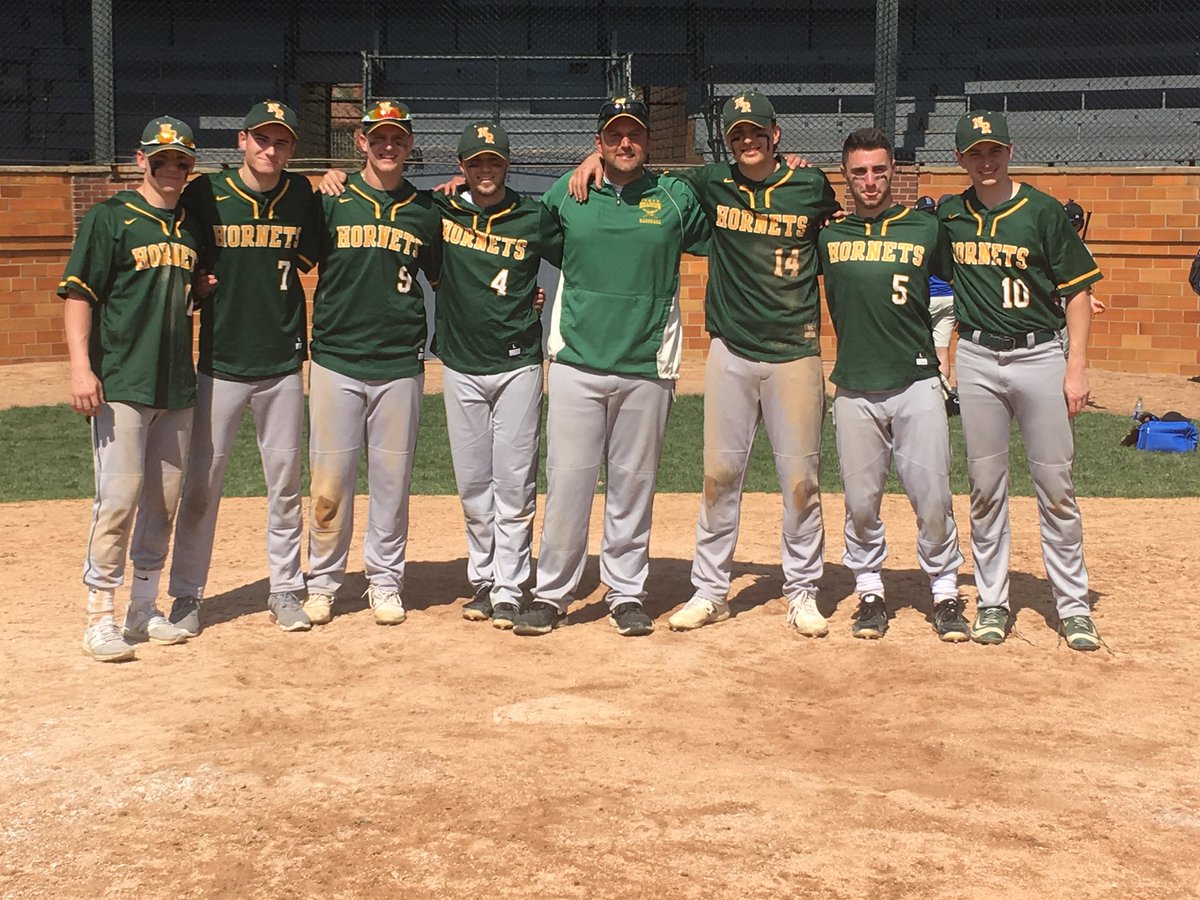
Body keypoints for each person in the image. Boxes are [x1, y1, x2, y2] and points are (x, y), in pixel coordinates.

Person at [571, 91, 839, 635]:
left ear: (776, 136)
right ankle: (711, 588)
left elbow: (838, 228)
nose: (747, 142)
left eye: (756, 133)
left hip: (795, 351)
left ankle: (803, 589)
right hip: (731, 351)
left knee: (801, 481)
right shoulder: (711, 181)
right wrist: (593, 158)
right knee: (719, 476)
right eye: (738, 133)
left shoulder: (809, 186)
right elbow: (642, 168)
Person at [511, 96, 707, 637]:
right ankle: (551, 593)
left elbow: (722, 215)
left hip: (648, 362)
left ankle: (625, 592)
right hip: (577, 358)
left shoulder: (673, 196)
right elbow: (525, 225)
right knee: (569, 483)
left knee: (632, 487)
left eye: (635, 135)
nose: (626, 144)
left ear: (648, 142)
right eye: (614, 135)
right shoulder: (571, 192)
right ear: (598, 142)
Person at [941, 110, 1103, 651]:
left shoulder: (1042, 211)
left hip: (1040, 358)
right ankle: (991, 601)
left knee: (1055, 486)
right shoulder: (951, 215)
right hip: (980, 357)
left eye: (994, 151)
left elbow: (1077, 289)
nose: (985, 162)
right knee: (986, 488)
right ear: (961, 160)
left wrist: (1075, 366)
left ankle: (1073, 606)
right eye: (974, 154)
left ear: (1009, 152)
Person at [166, 101, 318, 635]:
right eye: (261, 139)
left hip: (281, 362)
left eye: (281, 142)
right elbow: (177, 259)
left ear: (292, 149)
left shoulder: (301, 195)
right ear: (242, 140)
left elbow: (318, 253)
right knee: (202, 486)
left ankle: (285, 587)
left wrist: (333, 180)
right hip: (220, 362)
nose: (269, 150)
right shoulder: (205, 194)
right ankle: (186, 594)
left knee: (285, 486)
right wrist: (197, 283)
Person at [59, 116, 204, 661]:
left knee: (163, 502)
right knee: (117, 501)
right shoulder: (111, 218)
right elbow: (79, 295)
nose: (171, 168)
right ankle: (100, 616)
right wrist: (81, 367)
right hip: (121, 379)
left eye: (181, 161)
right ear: (141, 160)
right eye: (161, 158)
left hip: (175, 385)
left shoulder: (189, 226)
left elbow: (192, 289)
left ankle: (144, 608)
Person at [819, 129, 967, 641]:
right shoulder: (828, 235)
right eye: (859, 171)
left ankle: (946, 592)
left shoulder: (925, 229)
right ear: (845, 175)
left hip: (916, 379)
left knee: (932, 497)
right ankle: (869, 591)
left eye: (879, 170)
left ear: (893, 173)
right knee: (861, 501)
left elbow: (972, 279)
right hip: (855, 385)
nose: (869, 180)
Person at [305, 100, 442, 626]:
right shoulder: (332, 201)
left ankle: (384, 580)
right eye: (378, 137)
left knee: (391, 479)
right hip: (337, 359)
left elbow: (447, 276)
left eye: (398, 138)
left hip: (400, 363)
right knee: (329, 481)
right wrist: (319, 179)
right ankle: (322, 580)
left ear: (409, 145)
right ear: (360, 141)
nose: (388, 146)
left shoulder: (426, 210)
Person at [433, 122, 562, 629]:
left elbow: (582, 256)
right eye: (475, 163)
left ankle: (509, 586)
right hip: (460, 363)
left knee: (514, 482)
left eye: (494, 162)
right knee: (472, 485)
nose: (485, 171)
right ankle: (484, 580)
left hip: (518, 363)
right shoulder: (441, 210)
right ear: (461, 168)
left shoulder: (533, 217)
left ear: (507, 166)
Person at [915, 194, 957, 387]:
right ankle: (943, 392)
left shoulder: (923, 231)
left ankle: (921, 391)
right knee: (942, 349)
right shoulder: (951, 231)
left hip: (929, 297)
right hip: (950, 297)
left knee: (917, 347)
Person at [1063, 200, 1106, 316]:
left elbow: (1081, 284)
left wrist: (1090, 298)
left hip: (1069, 310)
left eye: (1073, 225)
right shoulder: (1047, 244)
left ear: (1080, 225)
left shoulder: (1082, 251)